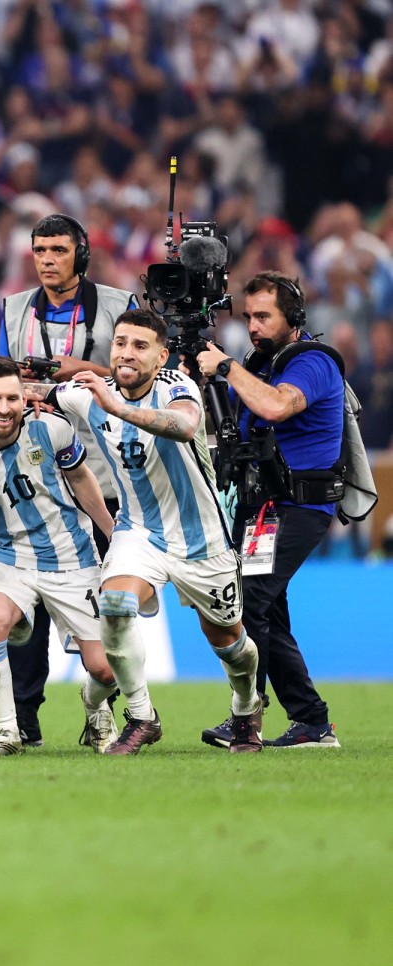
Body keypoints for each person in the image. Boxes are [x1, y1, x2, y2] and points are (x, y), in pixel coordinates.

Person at [49, 309, 263, 754]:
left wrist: (119, 409)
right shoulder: (90, 392)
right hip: (139, 532)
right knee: (115, 603)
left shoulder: (176, 386)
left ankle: (247, 707)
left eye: (140, 345)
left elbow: (184, 424)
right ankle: (142, 716)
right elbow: (31, 394)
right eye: (121, 342)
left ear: (161, 355)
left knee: (228, 642)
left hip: (201, 539)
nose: (127, 352)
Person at [0, 356, 119, 756]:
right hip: (5, 557)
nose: (4, 408)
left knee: (105, 668)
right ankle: (7, 731)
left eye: (12, 398)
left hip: (72, 555)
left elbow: (81, 477)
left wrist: (111, 534)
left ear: (24, 397)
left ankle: (95, 703)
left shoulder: (51, 427)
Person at [0, 213, 133, 747]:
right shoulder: (12, 309)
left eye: (57, 249)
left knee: (107, 605)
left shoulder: (121, 307)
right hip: (34, 474)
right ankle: (24, 718)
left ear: (81, 252)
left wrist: (89, 370)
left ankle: (104, 709)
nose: (47, 259)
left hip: (104, 472)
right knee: (25, 607)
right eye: (39, 250)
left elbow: (147, 375)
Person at [196, 273, 343, 748]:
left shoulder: (313, 362)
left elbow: (279, 407)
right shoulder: (259, 363)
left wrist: (224, 369)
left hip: (302, 503)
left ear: (294, 319)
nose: (253, 327)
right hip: (265, 508)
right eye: (248, 317)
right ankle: (311, 722)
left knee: (251, 599)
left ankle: (246, 719)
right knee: (267, 611)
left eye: (264, 316)